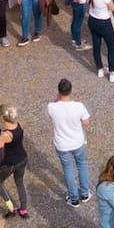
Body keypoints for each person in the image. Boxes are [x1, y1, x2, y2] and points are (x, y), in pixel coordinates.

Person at [45, 78, 91, 207]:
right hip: (77, 142)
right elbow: (86, 122)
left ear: (58, 92)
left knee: (68, 168)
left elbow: (49, 117)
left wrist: (56, 99)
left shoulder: (51, 107)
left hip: (62, 144)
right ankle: (85, 193)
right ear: (71, 90)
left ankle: (73, 198)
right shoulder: (79, 106)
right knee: (81, 165)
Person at [0, 104, 30, 218]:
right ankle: (23, 210)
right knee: (19, 182)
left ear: (2, 118)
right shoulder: (19, 124)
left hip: (10, 163)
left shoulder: (5, 135)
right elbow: (13, 136)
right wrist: (0, 132)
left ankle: (11, 209)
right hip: (23, 159)